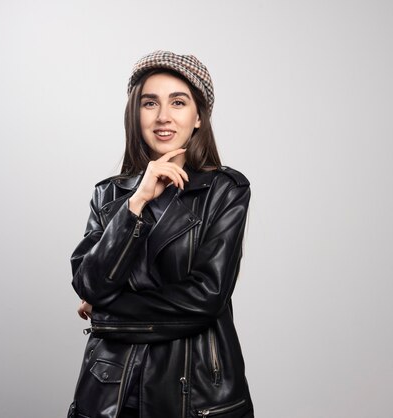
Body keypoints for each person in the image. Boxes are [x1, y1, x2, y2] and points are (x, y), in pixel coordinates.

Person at [67, 50, 255, 418]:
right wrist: (135, 203)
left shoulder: (225, 190)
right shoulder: (109, 194)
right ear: (135, 114)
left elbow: (204, 299)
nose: (163, 116)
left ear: (198, 116)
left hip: (194, 388)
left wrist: (106, 314)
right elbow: (88, 283)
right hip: (110, 386)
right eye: (149, 103)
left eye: (178, 102)